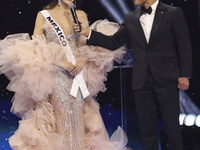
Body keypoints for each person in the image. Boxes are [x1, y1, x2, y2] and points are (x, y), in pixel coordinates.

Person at [0, 0, 128, 150]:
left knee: (79, 115)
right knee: (61, 115)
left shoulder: (79, 15)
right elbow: (36, 45)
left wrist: (83, 61)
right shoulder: (44, 15)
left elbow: (84, 42)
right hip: (56, 74)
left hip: (78, 74)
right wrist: (59, 61)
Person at [74, 0, 193, 150]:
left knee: (172, 128)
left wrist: (185, 74)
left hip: (167, 79)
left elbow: (184, 44)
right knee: (147, 130)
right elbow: (113, 42)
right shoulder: (131, 17)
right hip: (141, 80)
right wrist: (88, 33)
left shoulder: (173, 13)